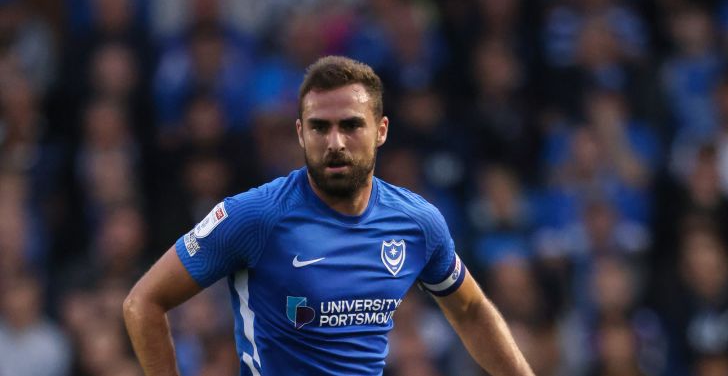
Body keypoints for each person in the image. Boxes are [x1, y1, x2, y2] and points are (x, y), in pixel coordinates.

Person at [123, 56, 534, 376]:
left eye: (351, 125)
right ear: (300, 133)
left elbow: (470, 309)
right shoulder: (255, 216)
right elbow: (143, 303)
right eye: (320, 127)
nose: (335, 142)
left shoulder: (417, 222)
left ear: (381, 130)